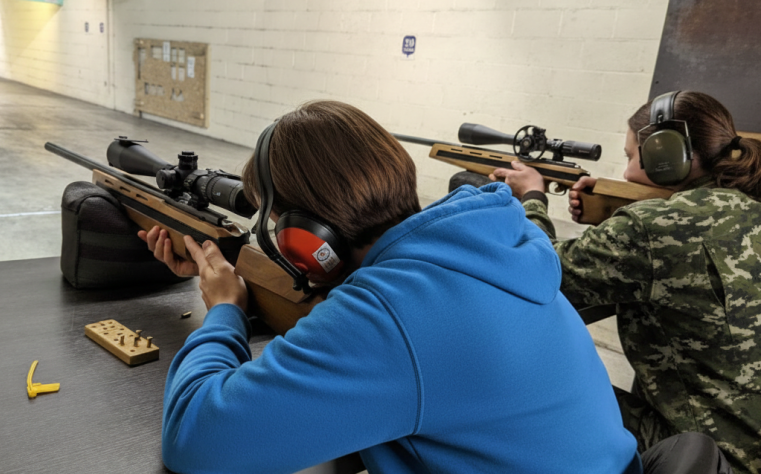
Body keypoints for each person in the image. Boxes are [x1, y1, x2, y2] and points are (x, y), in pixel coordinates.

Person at [139, 100, 642, 473]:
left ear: (306, 238)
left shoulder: (390, 313)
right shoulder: (496, 247)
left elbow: (197, 438)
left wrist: (224, 309)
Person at [492, 91, 761, 474]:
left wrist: (531, 197)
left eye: (631, 156)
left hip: (718, 453)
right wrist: (611, 220)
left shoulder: (649, 226)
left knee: (527, 388)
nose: (625, 172)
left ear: (665, 155)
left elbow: (538, 276)